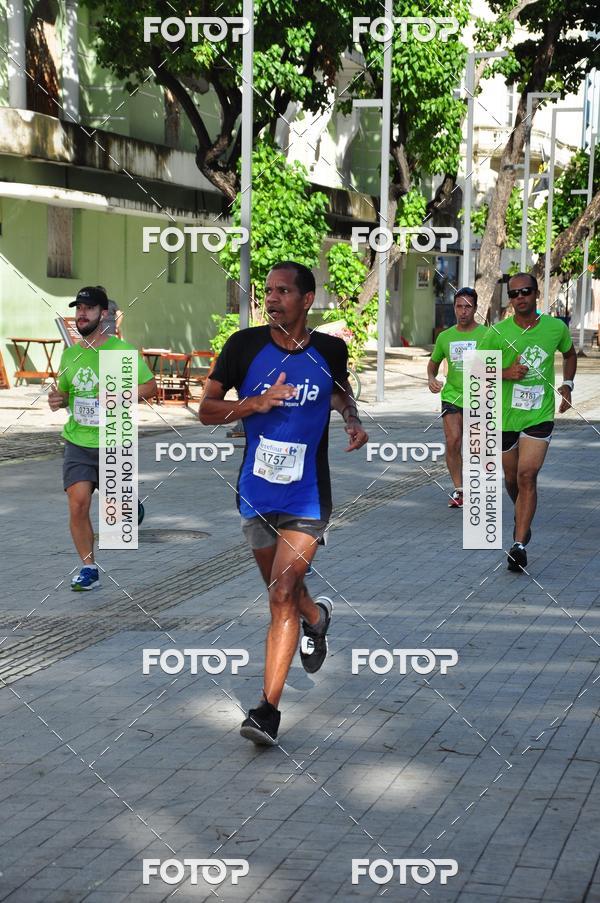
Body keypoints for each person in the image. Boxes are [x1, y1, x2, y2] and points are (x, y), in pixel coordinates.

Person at [200, 261, 368, 745]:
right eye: (268, 291)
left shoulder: (330, 349)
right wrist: (253, 403)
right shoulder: (243, 346)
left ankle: (266, 711)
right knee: (284, 592)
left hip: (307, 494)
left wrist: (352, 417)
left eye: (283, 291)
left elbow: (339, 391)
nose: (272, 299)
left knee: (279, 594)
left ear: (307, 299)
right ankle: (316, 618)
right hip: (256, 492)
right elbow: (206, 410)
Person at [48, 286, 156, 590]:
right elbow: (66, 394)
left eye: (89, 309)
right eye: (79, 309)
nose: (82, 314)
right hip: (78, 441)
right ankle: (88, 568)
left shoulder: (120, 352)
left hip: (114, 440)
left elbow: (150, 388)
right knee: (78, 504)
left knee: (119, 517)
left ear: (103, 314)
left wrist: (119, 394)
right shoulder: (71, 354)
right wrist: (58, 400)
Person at [481, 272, 576, 572]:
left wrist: (568, 384)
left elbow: (570, 354)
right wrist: (505, 373)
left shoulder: (555, 328)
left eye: (525, 292)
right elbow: (476, 369)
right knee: (512, 480)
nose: (520, 297)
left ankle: (518, 545)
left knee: (526, 475)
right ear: (509, 299)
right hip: (504, 416)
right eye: (514, 294)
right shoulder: (497, 332)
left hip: (539, 414)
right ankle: (522, 514)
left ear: (536, 294)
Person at [427, 287, 487, 507]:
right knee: (453, 441)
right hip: (452, 395)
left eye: (468, 307)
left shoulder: (487, 335)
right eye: (459, 306)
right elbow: (433, 364)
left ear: (475, 308)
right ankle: (460, 490)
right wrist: (431, 378)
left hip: (479, 397)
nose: (463, 311)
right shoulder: (445, 337)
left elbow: (499, 365)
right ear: (454, 308)